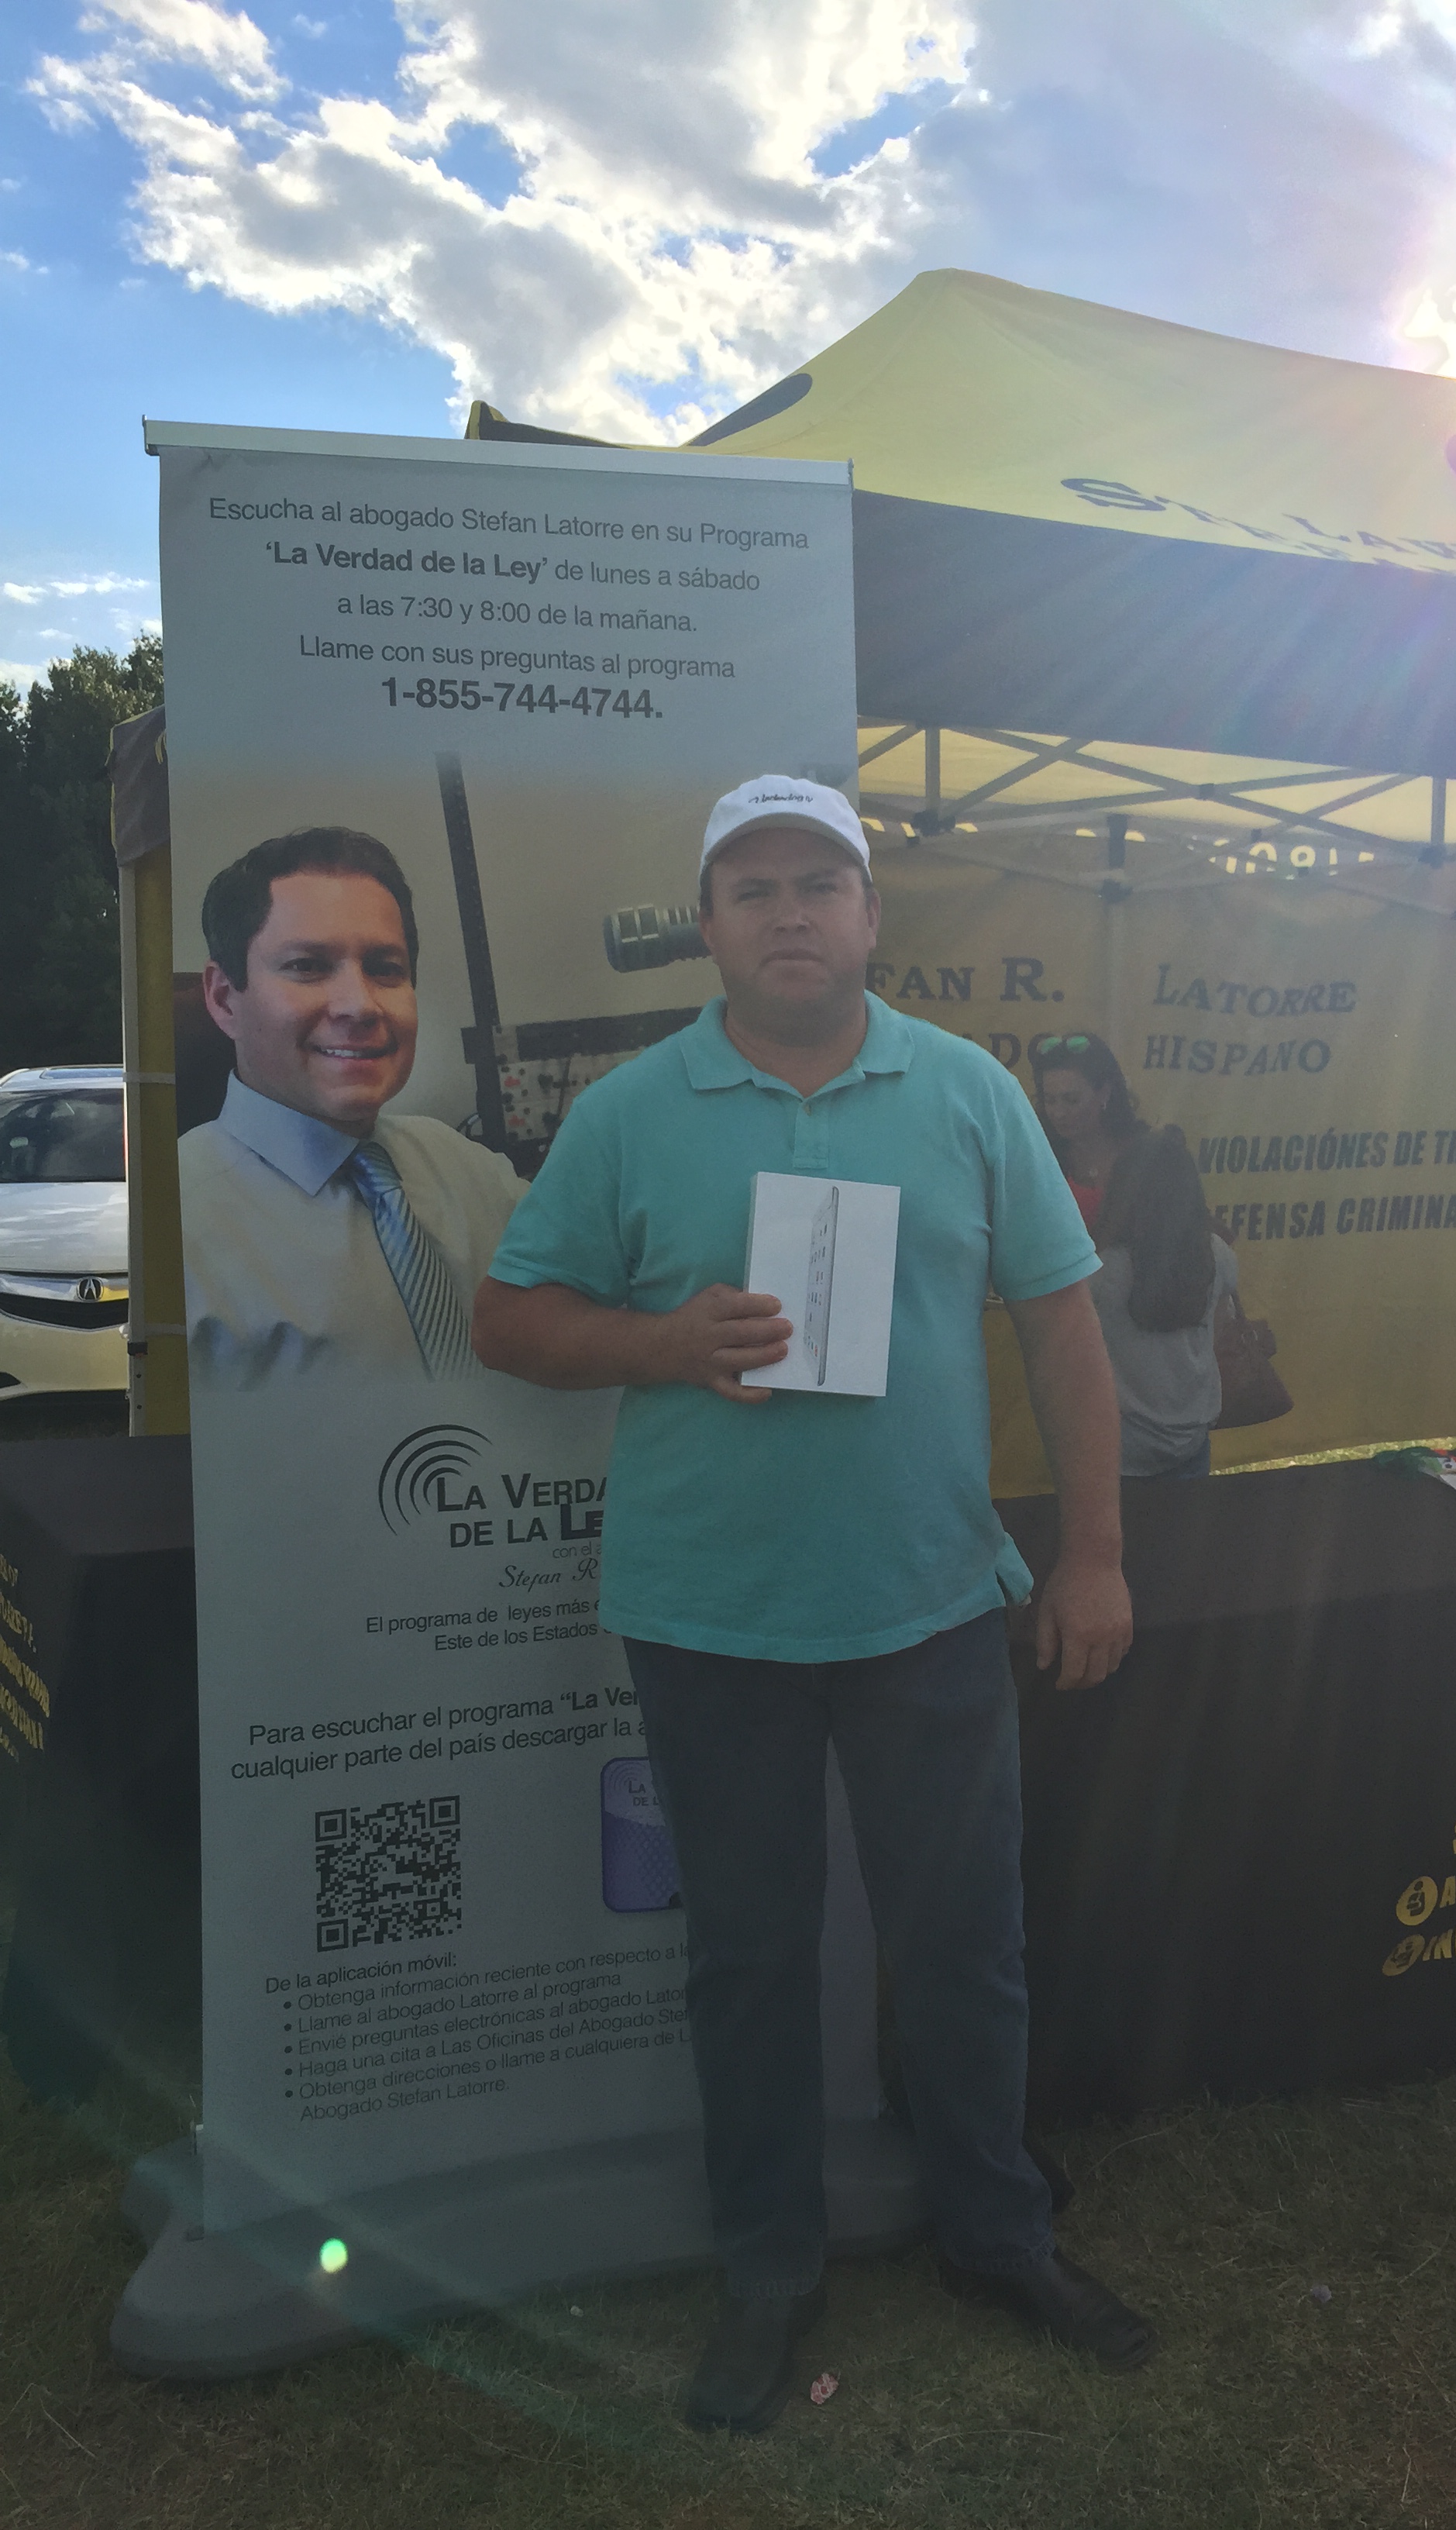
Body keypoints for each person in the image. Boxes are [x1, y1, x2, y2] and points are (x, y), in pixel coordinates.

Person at [472, 774, 1148, 2433]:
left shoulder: (972, 1092)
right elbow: (509, 1318)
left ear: (869, 914)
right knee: (751, 1960)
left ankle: (998, 2233)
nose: (790, 912)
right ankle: (768, 2269)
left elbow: (1064, 1329)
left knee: (965, 1946)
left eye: (820, 883)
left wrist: (1094, 1553)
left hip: (925, 1601)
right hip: (711, 1615)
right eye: (754, 887)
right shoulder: (636, 1109)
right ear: (708, 925)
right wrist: (661, 1342)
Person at [179, 828, 524, 1388]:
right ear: (223, 999)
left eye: (386, 968)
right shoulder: (173, 1230)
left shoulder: (473, 1174)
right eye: (308, 966)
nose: (360, 1005)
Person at [1089, 1125, 1237, 1479]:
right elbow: (1218, 1339)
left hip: (1118, 1448)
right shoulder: (1217, 1254)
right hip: (1193, 1437)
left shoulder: (1099, 1270)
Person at [1027, 1032, 1142, 1227]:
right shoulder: (1039, 1157)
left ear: (1104, 1093)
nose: (1059, 1113)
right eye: (1050, 1100)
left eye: (1071, 1100)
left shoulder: (1142, 1155)